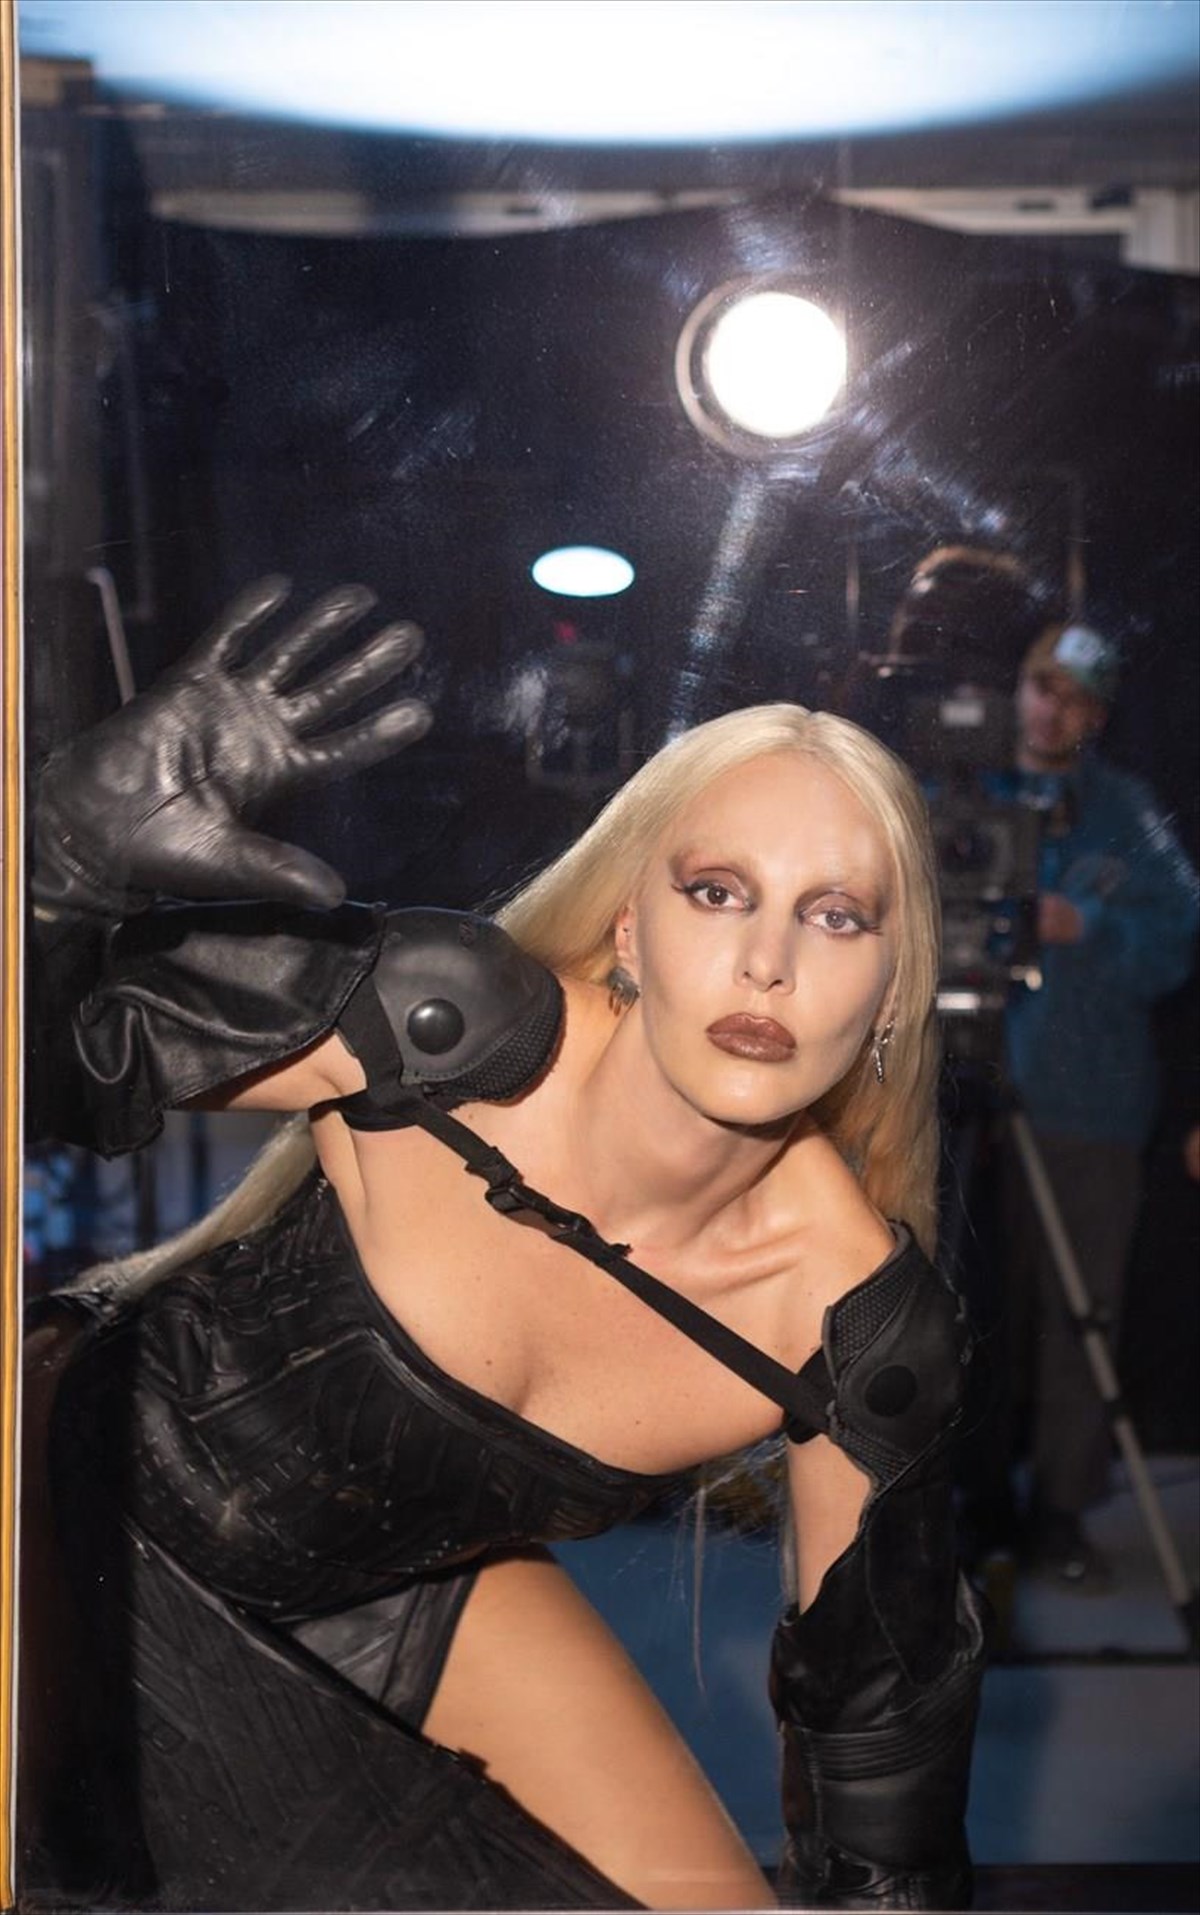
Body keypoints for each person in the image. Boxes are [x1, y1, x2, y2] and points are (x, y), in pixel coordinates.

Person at [26, 582, 986, 1912]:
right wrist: (52, 864)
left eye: (836, 915)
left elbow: (879, 1738)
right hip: (79, 1490)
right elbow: (45, 1069)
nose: (766, 961)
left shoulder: (859, 1329)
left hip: (403, 1587)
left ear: (889, 990)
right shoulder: (450, 1029)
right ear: (631, 928)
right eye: (718, 891)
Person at [1001, 619, 1199, 1586]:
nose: (1053, 709)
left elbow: (1180, 937)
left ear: (1100, 714)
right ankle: (956, 1499)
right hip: (964, 1099)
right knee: (956, 1310)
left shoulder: (1128, 810)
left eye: (1076, 697)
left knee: (1081, 1316)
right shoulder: (960, 793)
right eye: (1043, 686)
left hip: (1090, 1107)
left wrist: (1088, 922)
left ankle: (1060, 1510)